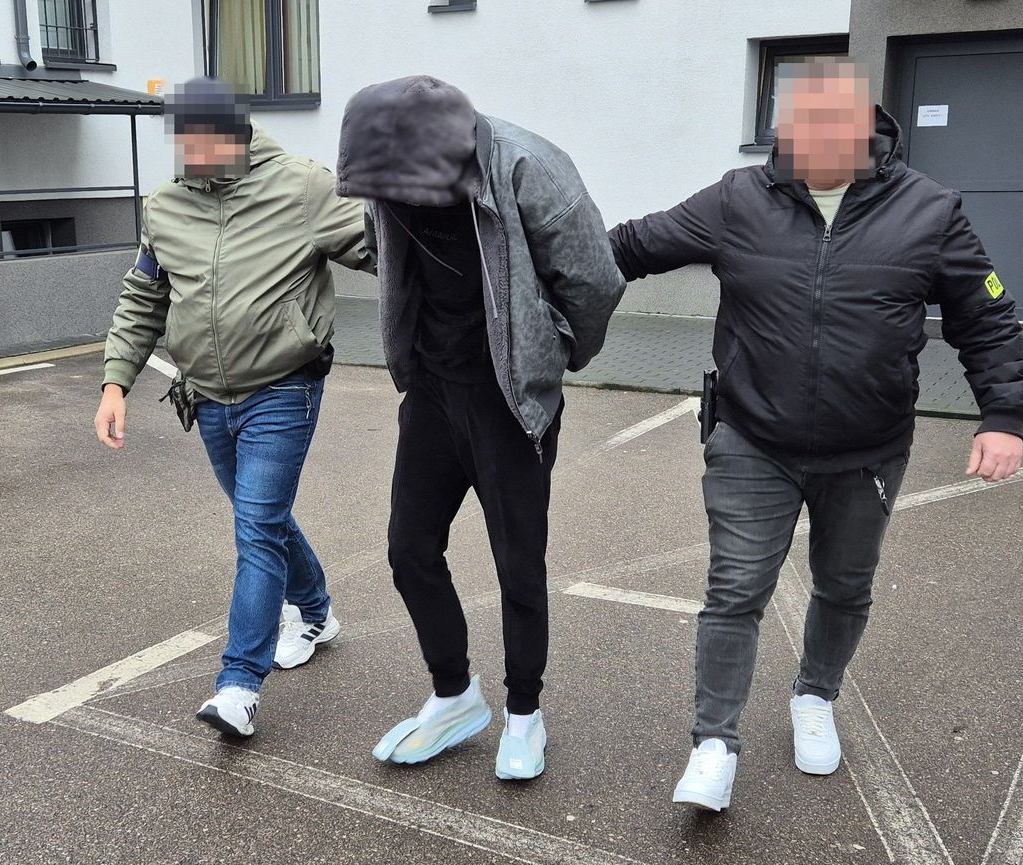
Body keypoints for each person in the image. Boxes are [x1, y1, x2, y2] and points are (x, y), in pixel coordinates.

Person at [608, 58, 1023, 811]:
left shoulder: (929, 209)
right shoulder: (738, 198)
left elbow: (986, 316)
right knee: (734, 589)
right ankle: (714, 743)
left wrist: (1003, 417)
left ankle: (814, 695)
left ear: (869, 128)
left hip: (868, 448)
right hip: (752, 437)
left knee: (844, 586)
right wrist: (534, 264)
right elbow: (629, 247)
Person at [336, 75, 626, 779]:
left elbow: (594, 280)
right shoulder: (384, 169)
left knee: (517, 564)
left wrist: (552, 353)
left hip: (508, 398)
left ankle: (525, 713)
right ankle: (454, 695)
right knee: (409, 549)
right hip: (433, 388)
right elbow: (379, 247)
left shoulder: (529, 167)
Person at [94, 77, 373, 738]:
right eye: (184, 142)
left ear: (237, 132)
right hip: (206, 396)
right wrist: (115, 383)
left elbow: (383, 250)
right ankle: (315, 610)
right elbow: (144, 297)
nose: (192, 154)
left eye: (205, 140)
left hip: (284, 387)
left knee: (255, 527)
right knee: (262, 519)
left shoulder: (303, 187)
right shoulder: (165, 205)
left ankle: (239, 685)